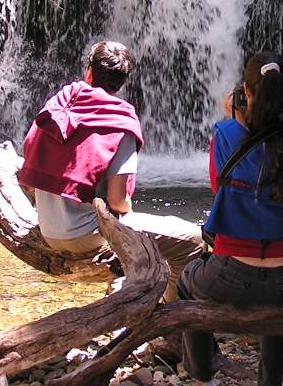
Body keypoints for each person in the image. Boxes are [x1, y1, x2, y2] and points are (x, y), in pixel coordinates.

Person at [179, 51, 283, 386]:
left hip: (229, 276)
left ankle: (203, 377)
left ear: (245, 92)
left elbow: (219, 187)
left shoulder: (225, 134)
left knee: (186, 281)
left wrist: (235, 119)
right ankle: (270, 382)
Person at [17, 40, 203, 301]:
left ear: (89, 72)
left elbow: (30, 162)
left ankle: (121, 292)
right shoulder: (119, 120)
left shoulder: (59, 105)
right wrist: (128, 211)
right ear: (122, 82)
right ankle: (172, 318)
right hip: (88, 235)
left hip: (48, 229)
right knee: (193, 241)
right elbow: (118, 200)